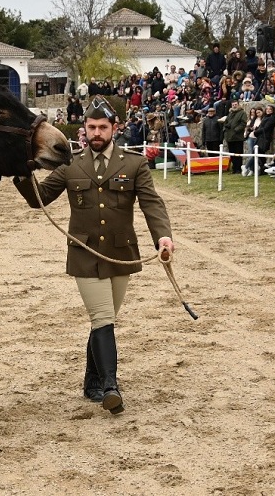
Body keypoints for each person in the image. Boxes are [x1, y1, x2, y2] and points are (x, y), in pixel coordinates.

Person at [13, 98, 174, 415]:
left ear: (115, 128)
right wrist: (22, 174)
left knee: (105, 320)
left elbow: (152, 204)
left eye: (102, 127)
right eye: (91, 127)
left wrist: (163, 236)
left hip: (120, 252)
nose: (96, 132)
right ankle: (110, 387)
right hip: (84, 254)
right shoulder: (69, 164)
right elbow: (40, 198)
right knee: (103, 319)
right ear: (83, 130)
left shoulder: (134, 164)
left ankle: (91, 382)